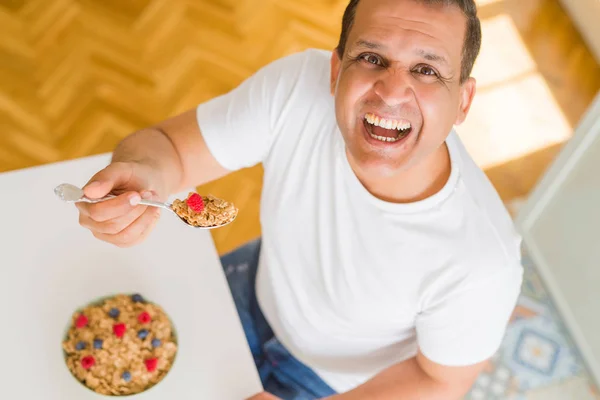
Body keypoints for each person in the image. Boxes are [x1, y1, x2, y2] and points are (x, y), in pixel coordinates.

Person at [75, 0, 524, 398]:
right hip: (255, 286)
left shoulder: (485, 260)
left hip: (336, 384)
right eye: (371, 58)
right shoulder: (295, 89)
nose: (390, 92)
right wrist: (143, 173)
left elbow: (441, 381)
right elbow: (168, 150)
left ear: (464, 101)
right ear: (336, 71)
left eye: (426, 70)